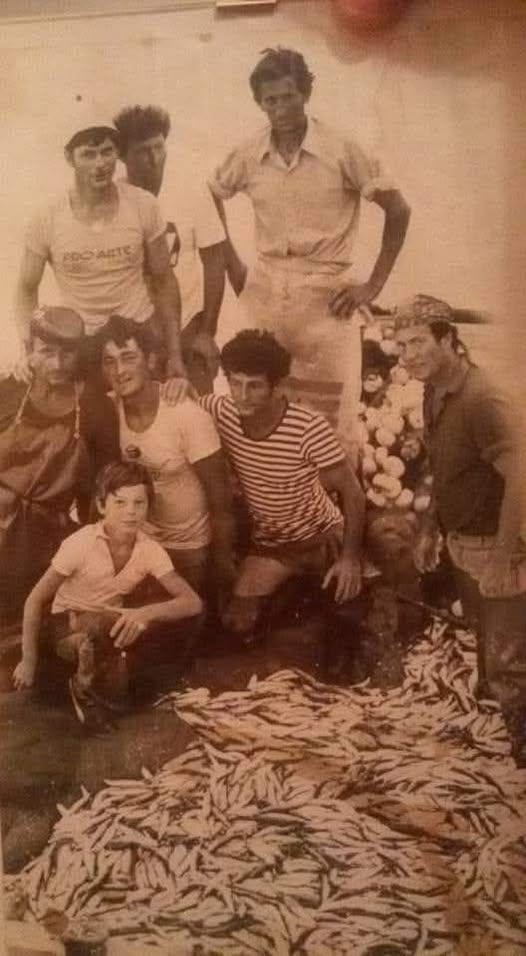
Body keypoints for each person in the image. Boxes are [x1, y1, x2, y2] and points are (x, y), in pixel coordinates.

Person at [209, 47, 410, 453]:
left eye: (288, 96)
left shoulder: (342, 147)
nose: (280, 109)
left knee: (332, 419)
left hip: (326, 301)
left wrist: (372, 286)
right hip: (266, 297)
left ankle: (336, 493)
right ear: (259, 102)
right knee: (260, 407)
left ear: (305, 93)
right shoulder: (248, 152)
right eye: (270, 100)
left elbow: (399, 210)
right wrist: (233, 264)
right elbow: (212, 193)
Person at [394, 294, 526, 766]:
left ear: (449, 338)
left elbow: (520, 479)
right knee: (490, 653)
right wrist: (431, 528)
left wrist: (501, 560)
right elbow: (442, 465)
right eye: (401, 345)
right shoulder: (434, 391)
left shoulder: (482, 398)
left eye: (417, 342)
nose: (408, 355)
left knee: (509, 666)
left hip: (500, 546)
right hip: (465, 544)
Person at [199, 329, 365, 643]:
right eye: (235, 383)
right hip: (272, 547)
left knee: (350, 620)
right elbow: (181, 408)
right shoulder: (220, 411)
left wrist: (350, 557)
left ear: (278, 387)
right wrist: (177, 386)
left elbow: (353, 493)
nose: (242, 395)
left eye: (255, 385)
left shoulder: (308, 428)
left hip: (322, 538)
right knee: (236, 624)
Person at [12, 461, 203, 725]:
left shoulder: (149, 549)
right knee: (107, 626)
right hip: (65, 625)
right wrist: (28, 661)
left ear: (148, 507)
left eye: (139, 503)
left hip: (109, 624)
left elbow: (192, 602)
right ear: (102, 506)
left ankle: (103, 670)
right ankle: (82, 680)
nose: (131, 512)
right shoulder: (81, 543)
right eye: (120, 503)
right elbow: (34, 600)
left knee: (164, 624)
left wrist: (144, 614)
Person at [15, 115, 185, 381]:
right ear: (69, 158)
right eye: (88, 154)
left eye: (107, 152)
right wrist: (28, 350)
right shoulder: (47, 217)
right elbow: (26, 288)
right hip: (82, 341)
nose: (100, 164)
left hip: (139, 335)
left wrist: (175, 354)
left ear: (118, 153)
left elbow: (164, 281)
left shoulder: (143, 205)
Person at [99, 314, 235, 596]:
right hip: (139, 540)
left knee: (186, 614)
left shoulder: (186, 414)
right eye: (109, 361)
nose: (119, 370)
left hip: (188, 547)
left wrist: (222, 562)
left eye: (128, 358)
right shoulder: (107, 411)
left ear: (151, 361)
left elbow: (220, 498)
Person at [0, 306, 119, 623]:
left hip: (48, 541)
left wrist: (90, 552)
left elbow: (103, 489)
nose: (57, 364)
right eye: (46, 352)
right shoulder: (8, 390)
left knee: (34, 624)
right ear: (29, 350)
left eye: (67, 353)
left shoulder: (95, 406)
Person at [113, 105, 226, 393]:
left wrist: (207, 331)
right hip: (134, 334)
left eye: (159, 147)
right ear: (122, 155)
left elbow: (215, 260)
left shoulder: (191, 190)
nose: (154, 159)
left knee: (195, 410)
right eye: (143, 151)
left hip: (187, 327)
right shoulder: (113, 199)